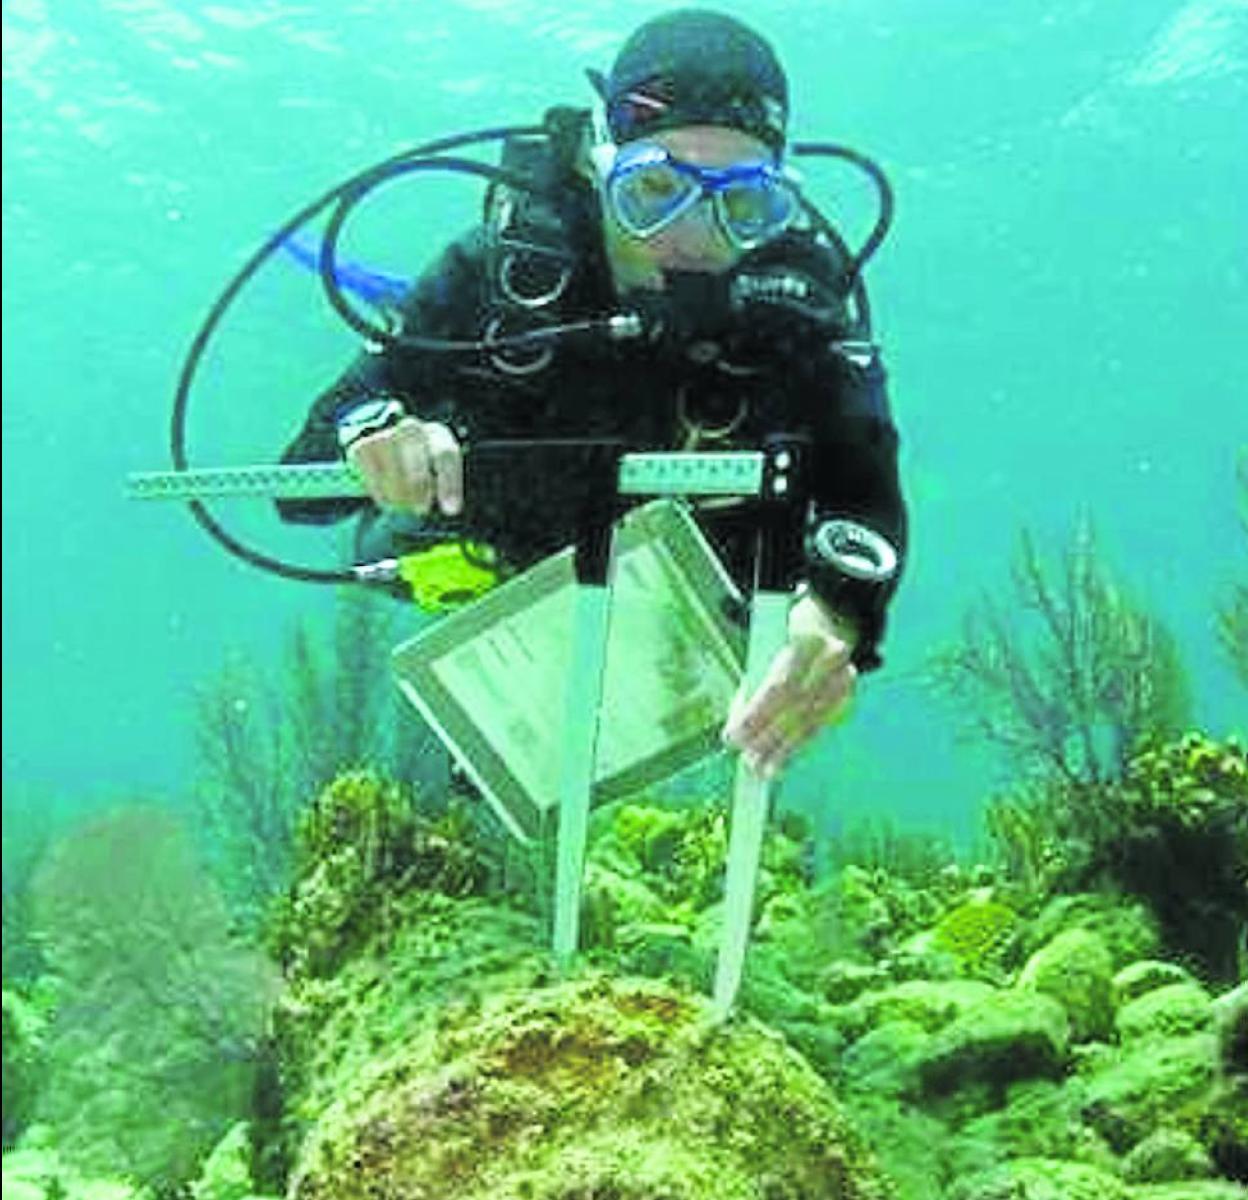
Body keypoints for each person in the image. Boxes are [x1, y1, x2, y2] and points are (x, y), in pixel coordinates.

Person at [278, 8, 908, 781]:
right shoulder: (504, 270)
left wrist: (837, 613)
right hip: (505, 554)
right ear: (600, 166)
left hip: (692, 598)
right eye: (655, 190)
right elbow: (298, 489)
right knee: (384, 542)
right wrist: (377, 430)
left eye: (743, 204)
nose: (694, 235)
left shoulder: (798, 306)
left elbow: (867, 491)